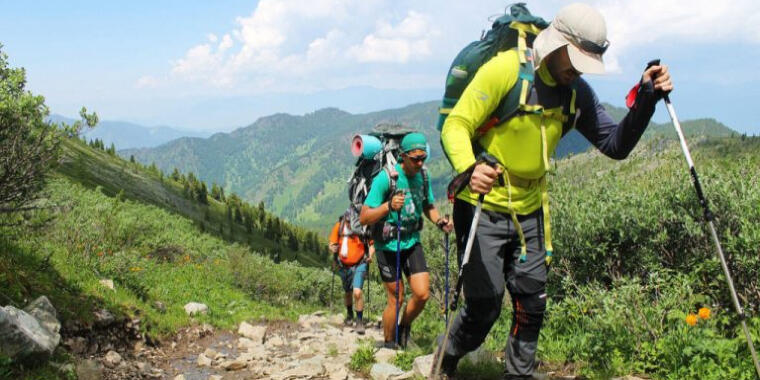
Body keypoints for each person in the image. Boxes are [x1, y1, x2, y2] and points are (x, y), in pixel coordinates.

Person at [438, 3, 673, 379]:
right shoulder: (505, 73)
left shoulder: (575, 91)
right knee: (485, 304)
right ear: (555, 44)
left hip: (531, 208)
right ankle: (449, 352)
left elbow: (615, 144)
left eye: (585, 63)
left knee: (532, 303)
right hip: (482, 203)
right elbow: (456, 125)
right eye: (575, 60)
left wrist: (646, 100)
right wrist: (470, 169)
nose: (577, 69)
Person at [359, 132, 453, 349]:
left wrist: (439, 222)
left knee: (422, 294)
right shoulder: (387, 178)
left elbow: (428, 205)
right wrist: (388, 206)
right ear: (403, 156)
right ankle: (389, 343)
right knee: (397, 298)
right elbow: (365, 216)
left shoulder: (424, 176)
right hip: (387, 245)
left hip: (411, 241)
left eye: (423, 158)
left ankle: (404, 327)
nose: (420, 163)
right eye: (415, 158)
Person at [328, 212, 374, 334]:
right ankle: (349, 314)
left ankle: (359, 321)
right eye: (348, 222)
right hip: (343, 265)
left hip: (360, 263)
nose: (351, 224)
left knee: (357, 292)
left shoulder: (363, 228)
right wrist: (333, 248)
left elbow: (372, 244)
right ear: (345, 220)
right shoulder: (339, 226)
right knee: (347, 292)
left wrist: (370, 255)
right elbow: (332, 243)